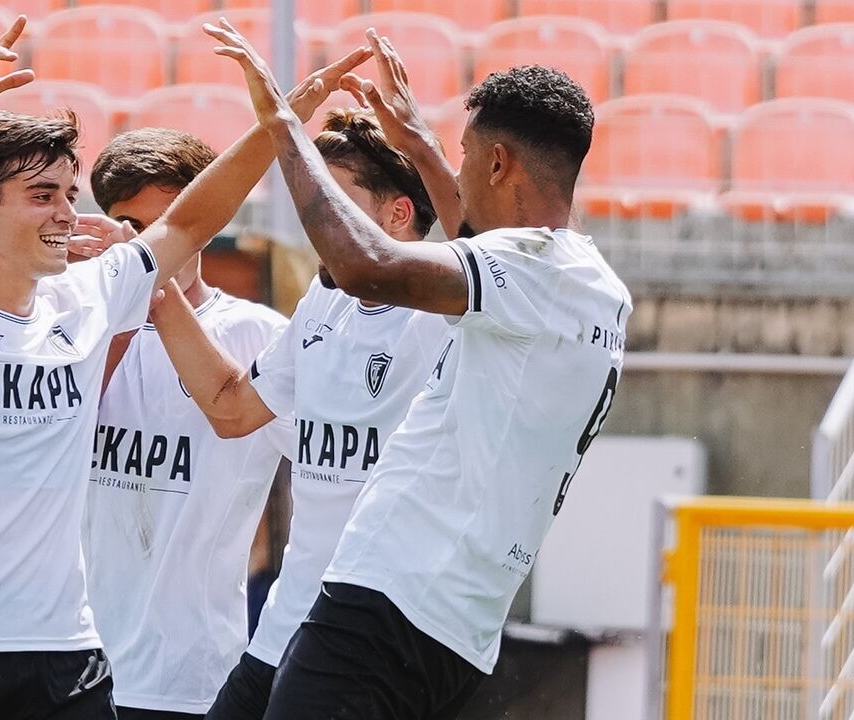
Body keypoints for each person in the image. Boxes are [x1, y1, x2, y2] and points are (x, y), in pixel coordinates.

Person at [0, 13, 373, 717]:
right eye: (41, 196)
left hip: (65, 651)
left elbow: (188, 222)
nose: (65, 214)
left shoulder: (89, 299)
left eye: (67, 193)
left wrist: (283, 120)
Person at [206, 20, 632, 719]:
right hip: (446, 619)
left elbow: (365, 266)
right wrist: (421, 145)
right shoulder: (593, 287)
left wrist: (281, 124)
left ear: (498, 163)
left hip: (391, 598)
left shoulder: (529, 273)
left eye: (465, 158)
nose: (454, 175)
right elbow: (480, 242)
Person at [149, 102, 455, 720]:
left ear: (399, 215)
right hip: (287, 620)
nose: (315, 219)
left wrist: (421, 146)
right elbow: (232, 410)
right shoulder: (325, 300)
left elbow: (483, 239)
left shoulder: (446, 312)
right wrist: (153, 291)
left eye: (333, 201)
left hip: (373, 634)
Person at [82, 127, 292, 720]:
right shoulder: (69, 328)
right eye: (131, 227)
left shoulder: (260, 336)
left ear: (204, 223)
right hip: (68, 665)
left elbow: (337, 476)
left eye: (167, 225)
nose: (151, 245)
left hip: (192, 679)